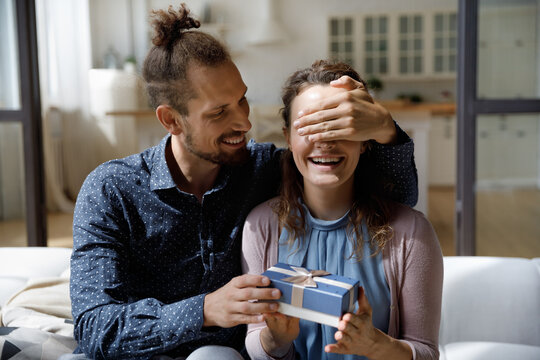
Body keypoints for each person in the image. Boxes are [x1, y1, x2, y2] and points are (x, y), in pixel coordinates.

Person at [68, 4, 418, 360]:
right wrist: (204, 309)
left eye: (242, 100)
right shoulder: (112, 189)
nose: (244, 123)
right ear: (171, 120)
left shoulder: (263, 168)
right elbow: (95, 327)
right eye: (219, 112)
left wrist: (385, 130)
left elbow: (394, 199)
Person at [241, 60, 443, 360]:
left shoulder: (411, 233)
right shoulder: (260, 225)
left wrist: (378, 346)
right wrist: (274, 339)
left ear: (364, 141)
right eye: (310, 126)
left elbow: (426, 352)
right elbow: (256, 338)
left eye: (338, 125)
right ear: (288, 138)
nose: (325, 141)